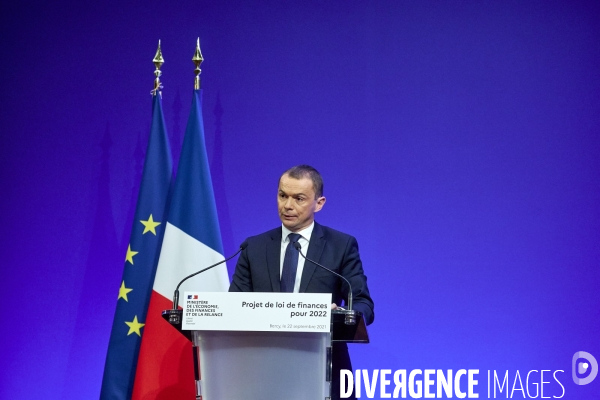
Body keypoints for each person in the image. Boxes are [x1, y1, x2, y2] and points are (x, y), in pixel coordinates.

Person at [229, 165, 374, 400]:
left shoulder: (341, 245)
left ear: (319, 203)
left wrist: (342, 315)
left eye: (299, 198)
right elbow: (234, 306)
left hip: (325, 368)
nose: (287, 205)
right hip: (262, 370)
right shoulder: (253, 247)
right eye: (282, 195)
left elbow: (363, 303)